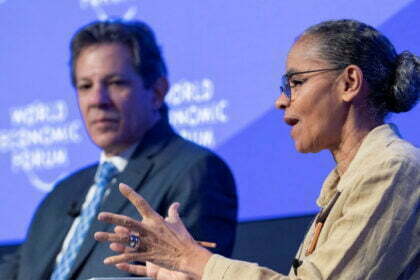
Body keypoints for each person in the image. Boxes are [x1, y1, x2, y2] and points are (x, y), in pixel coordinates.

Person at [94, 19, 420, 279]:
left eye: (296, 83)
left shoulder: (393, 167)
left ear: (349, 83)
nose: (281, 100)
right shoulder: (348, 180)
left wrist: (193, 259)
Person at [0, 19, 237, 280]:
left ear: (157, 91)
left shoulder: (195, 171)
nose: (97, 100)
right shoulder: (62, 193)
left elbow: (192, 274)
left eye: (115, 83)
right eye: (85, 86)